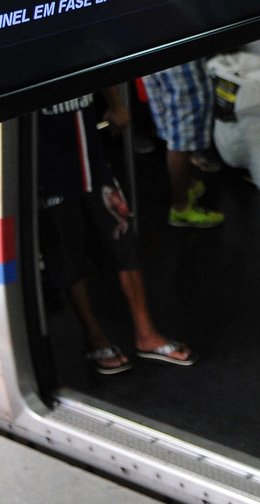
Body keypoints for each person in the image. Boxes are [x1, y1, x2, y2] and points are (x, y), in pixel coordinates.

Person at [38, 89, 196, 374]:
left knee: (124, 240)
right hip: (50, 177)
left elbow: (96, 57)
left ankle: (146, 334)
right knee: (67, 255)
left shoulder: (72, 45)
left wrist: (116, 104)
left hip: (95, 167)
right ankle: (95, 337)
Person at [140, 61, 225, 228]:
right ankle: (182, 208)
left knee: (172, 123)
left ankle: (187, 184)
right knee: (181, 135)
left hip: (153, 50)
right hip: (176, 58)